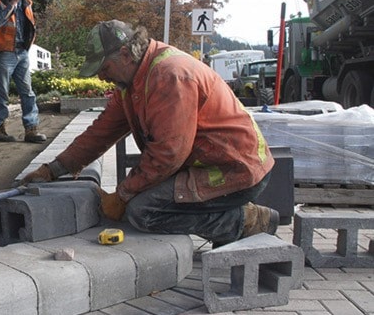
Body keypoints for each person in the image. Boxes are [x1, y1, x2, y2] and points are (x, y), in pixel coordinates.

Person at [21, 20, 279, 247]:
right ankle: (229, 217)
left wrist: (122, 194)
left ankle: (247, 220)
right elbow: (101, 132)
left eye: (104, 68)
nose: (101, 77)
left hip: (237, 170)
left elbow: (168, 153)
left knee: (143, 211)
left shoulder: (169, 76)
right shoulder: (133, 82)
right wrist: (54, 168)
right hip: (210, 163)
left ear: (124, 54)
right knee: (143, 200)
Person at [0, 0, 46, 143]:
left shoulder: (26, 1)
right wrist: (12, 3)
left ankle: (31, 129)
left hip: (22, 52)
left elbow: (30, 25)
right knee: (2, 92)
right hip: (3, 52)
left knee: (27, 92)